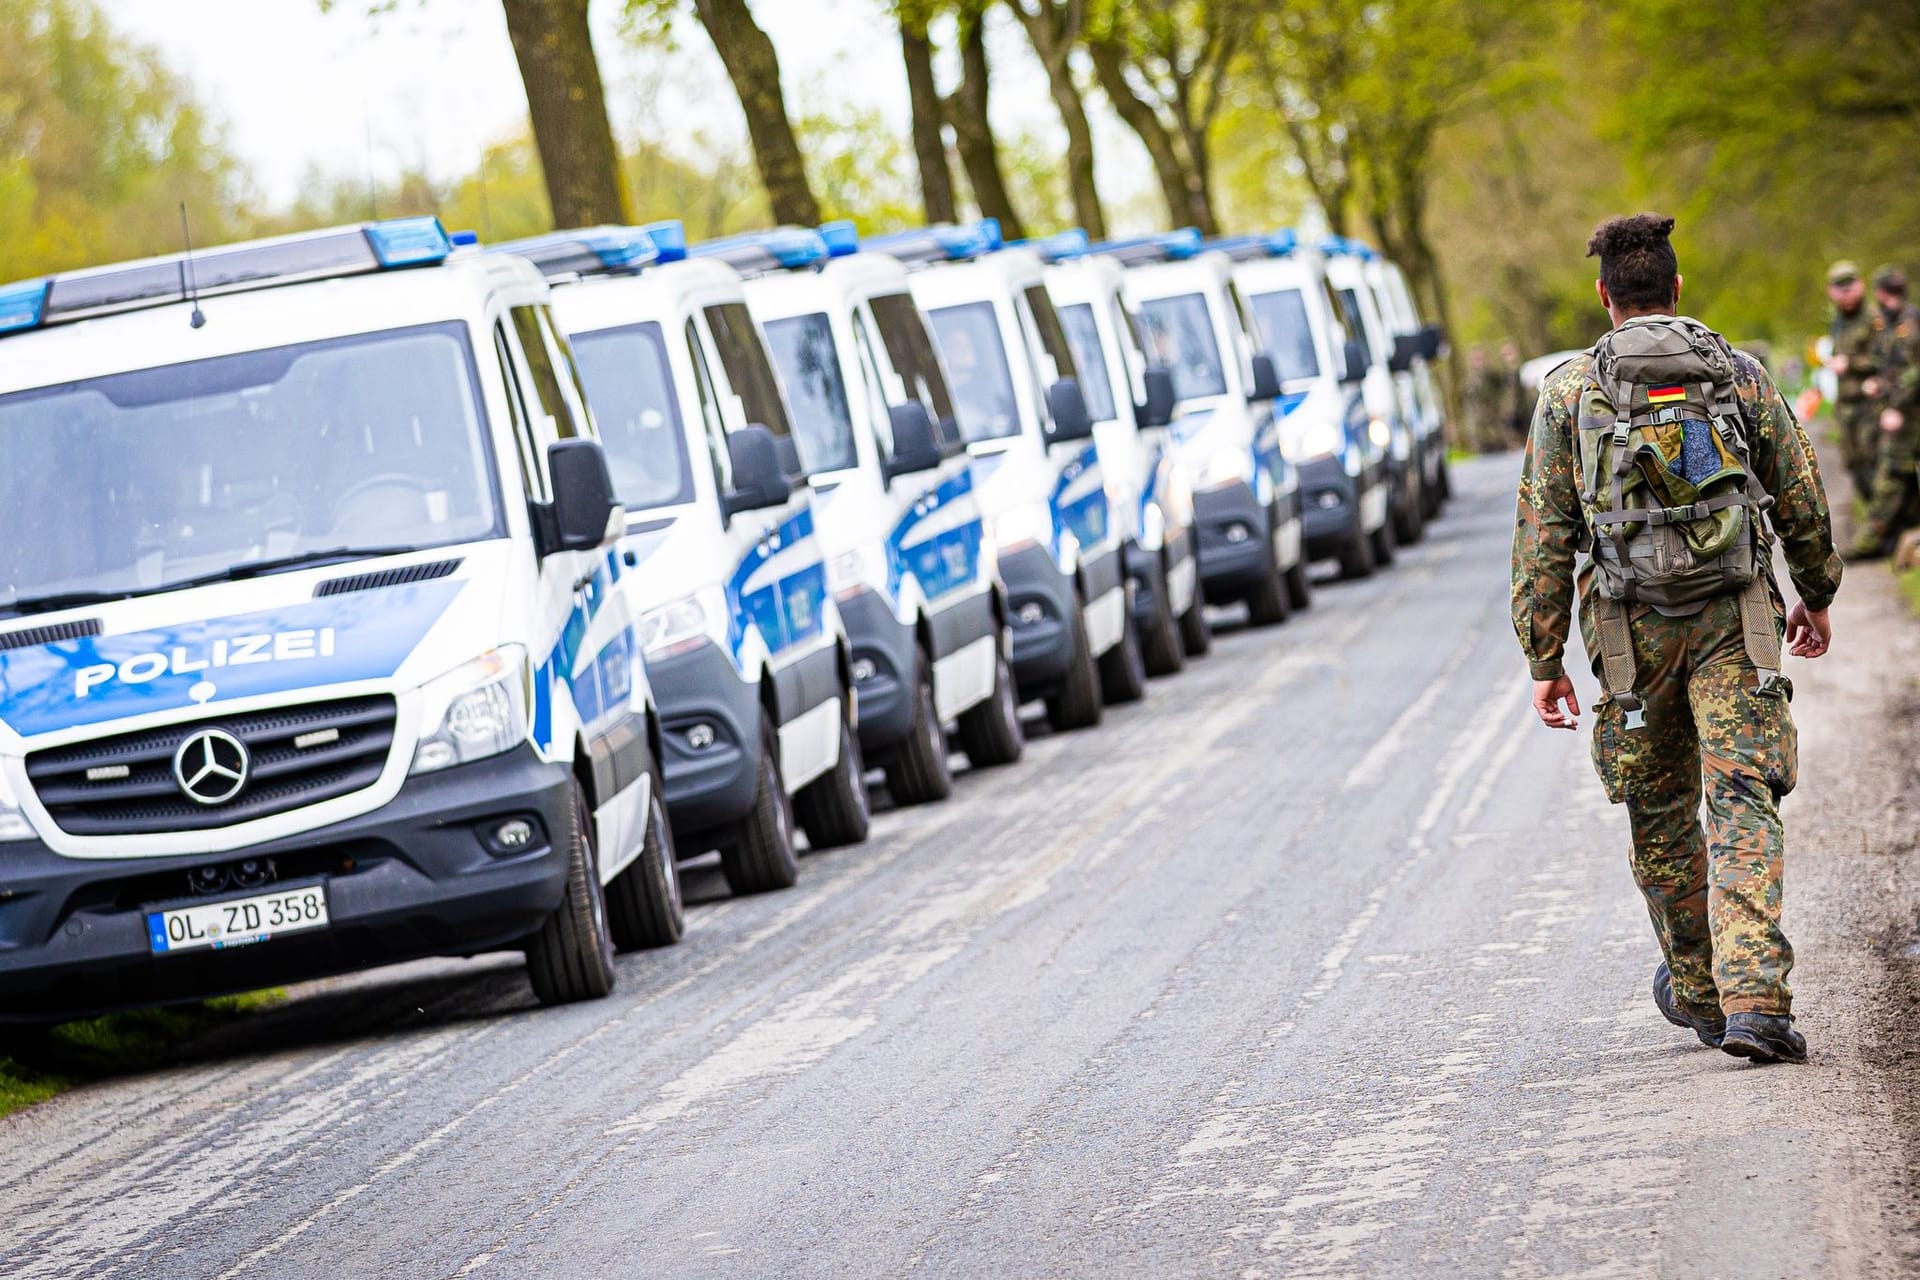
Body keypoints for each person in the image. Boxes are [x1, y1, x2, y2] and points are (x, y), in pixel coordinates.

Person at [1512, 213, 1841, 1065]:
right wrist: (1818, 592)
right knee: (1742, 800)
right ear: (1677, 288)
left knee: (1660, 813)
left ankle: (1699, 992)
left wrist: (1544, 659)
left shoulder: (1567, 392)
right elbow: (1798, 492)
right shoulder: (1736, 375)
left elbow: (1544, 533)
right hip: (1737, 620)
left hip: (1630, 636)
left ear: (1605, 297)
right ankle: (1756, 999)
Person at [1849, 265, 1920, 558]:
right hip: (1902, 410)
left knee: (1890, 475)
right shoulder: (1890, 323)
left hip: (1908, 415)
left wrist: (1896, 406)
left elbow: (1914, 371)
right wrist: (1879, 383)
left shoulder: (1909, 323)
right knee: (1901, 476)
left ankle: (1871, 542)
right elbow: (1894, 367)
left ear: (1880, 292)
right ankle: (1901, 534)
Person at [1827, 261, 1881, 495]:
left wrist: (1850, 363)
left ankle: (1889, 526)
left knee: (1875, 465)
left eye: (1850, 287)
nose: (1845, 294)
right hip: (1846, 406)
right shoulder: (1837, 321)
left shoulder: (1874, 318)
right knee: (1854, 465)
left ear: (1861, 285)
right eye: (1840, 289)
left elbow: (1884, 360)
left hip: (1871, 403)